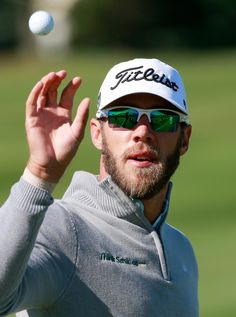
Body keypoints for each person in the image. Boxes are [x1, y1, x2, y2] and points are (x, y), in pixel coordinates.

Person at [0, 58, 198, 317]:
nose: (142, 131)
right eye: (123, 117)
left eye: (162, 120)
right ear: (97, 133)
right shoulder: (60, 227)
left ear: (184, 139)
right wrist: (40, 173)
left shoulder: (181, 249)